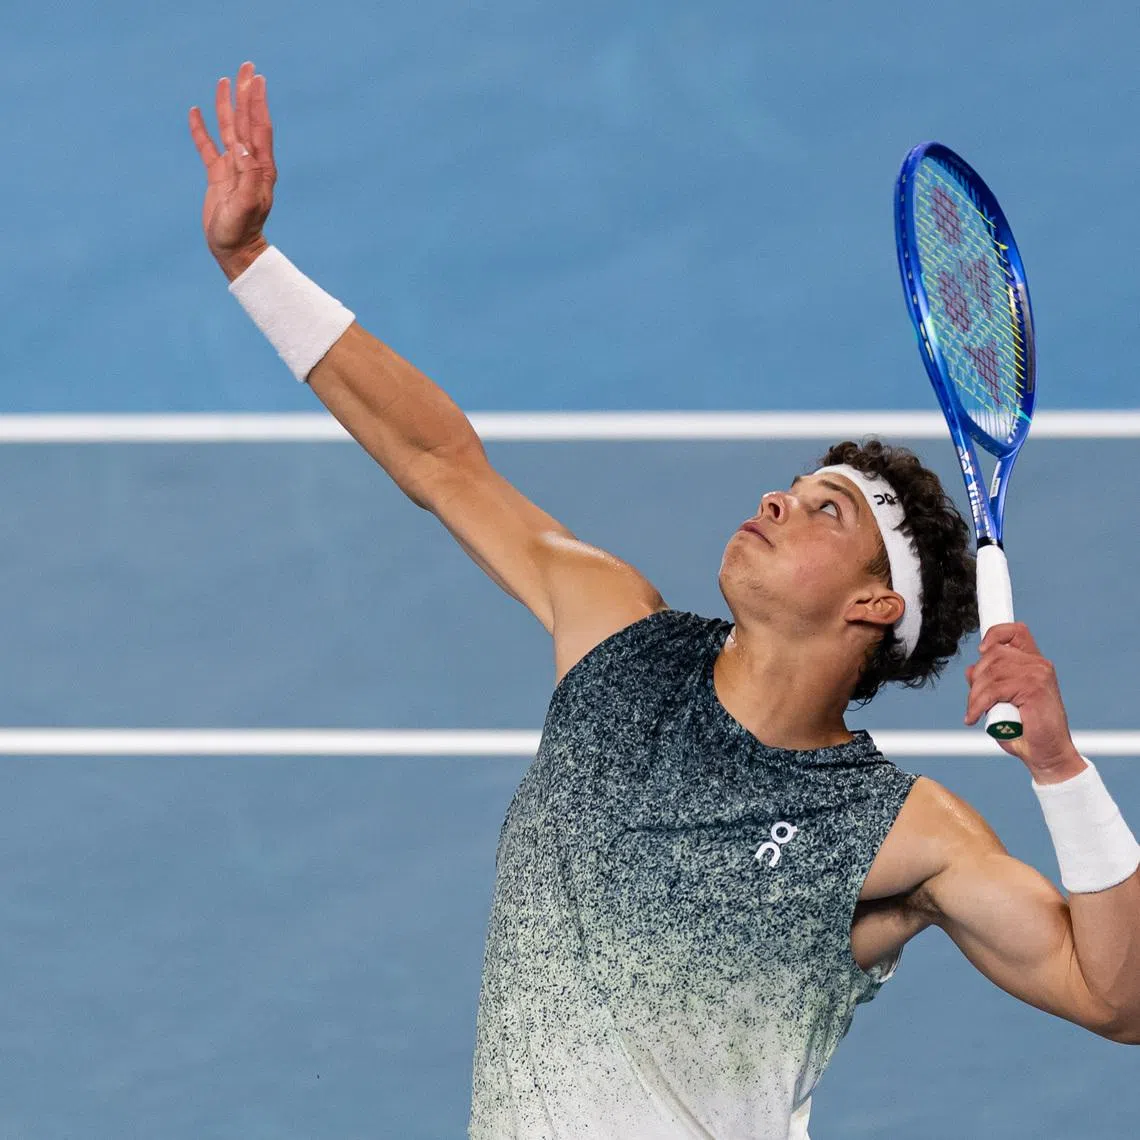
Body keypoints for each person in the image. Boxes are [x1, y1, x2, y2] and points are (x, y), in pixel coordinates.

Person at [189, 63, 1140, 1140]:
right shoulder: (616, 644)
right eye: (795, 485)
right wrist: (250, 261)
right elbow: (441, 461)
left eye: (827, 512)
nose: (779, 497)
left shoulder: (900, 832)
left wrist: (1061, 772)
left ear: (876, 606)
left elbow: (1116, 1001)